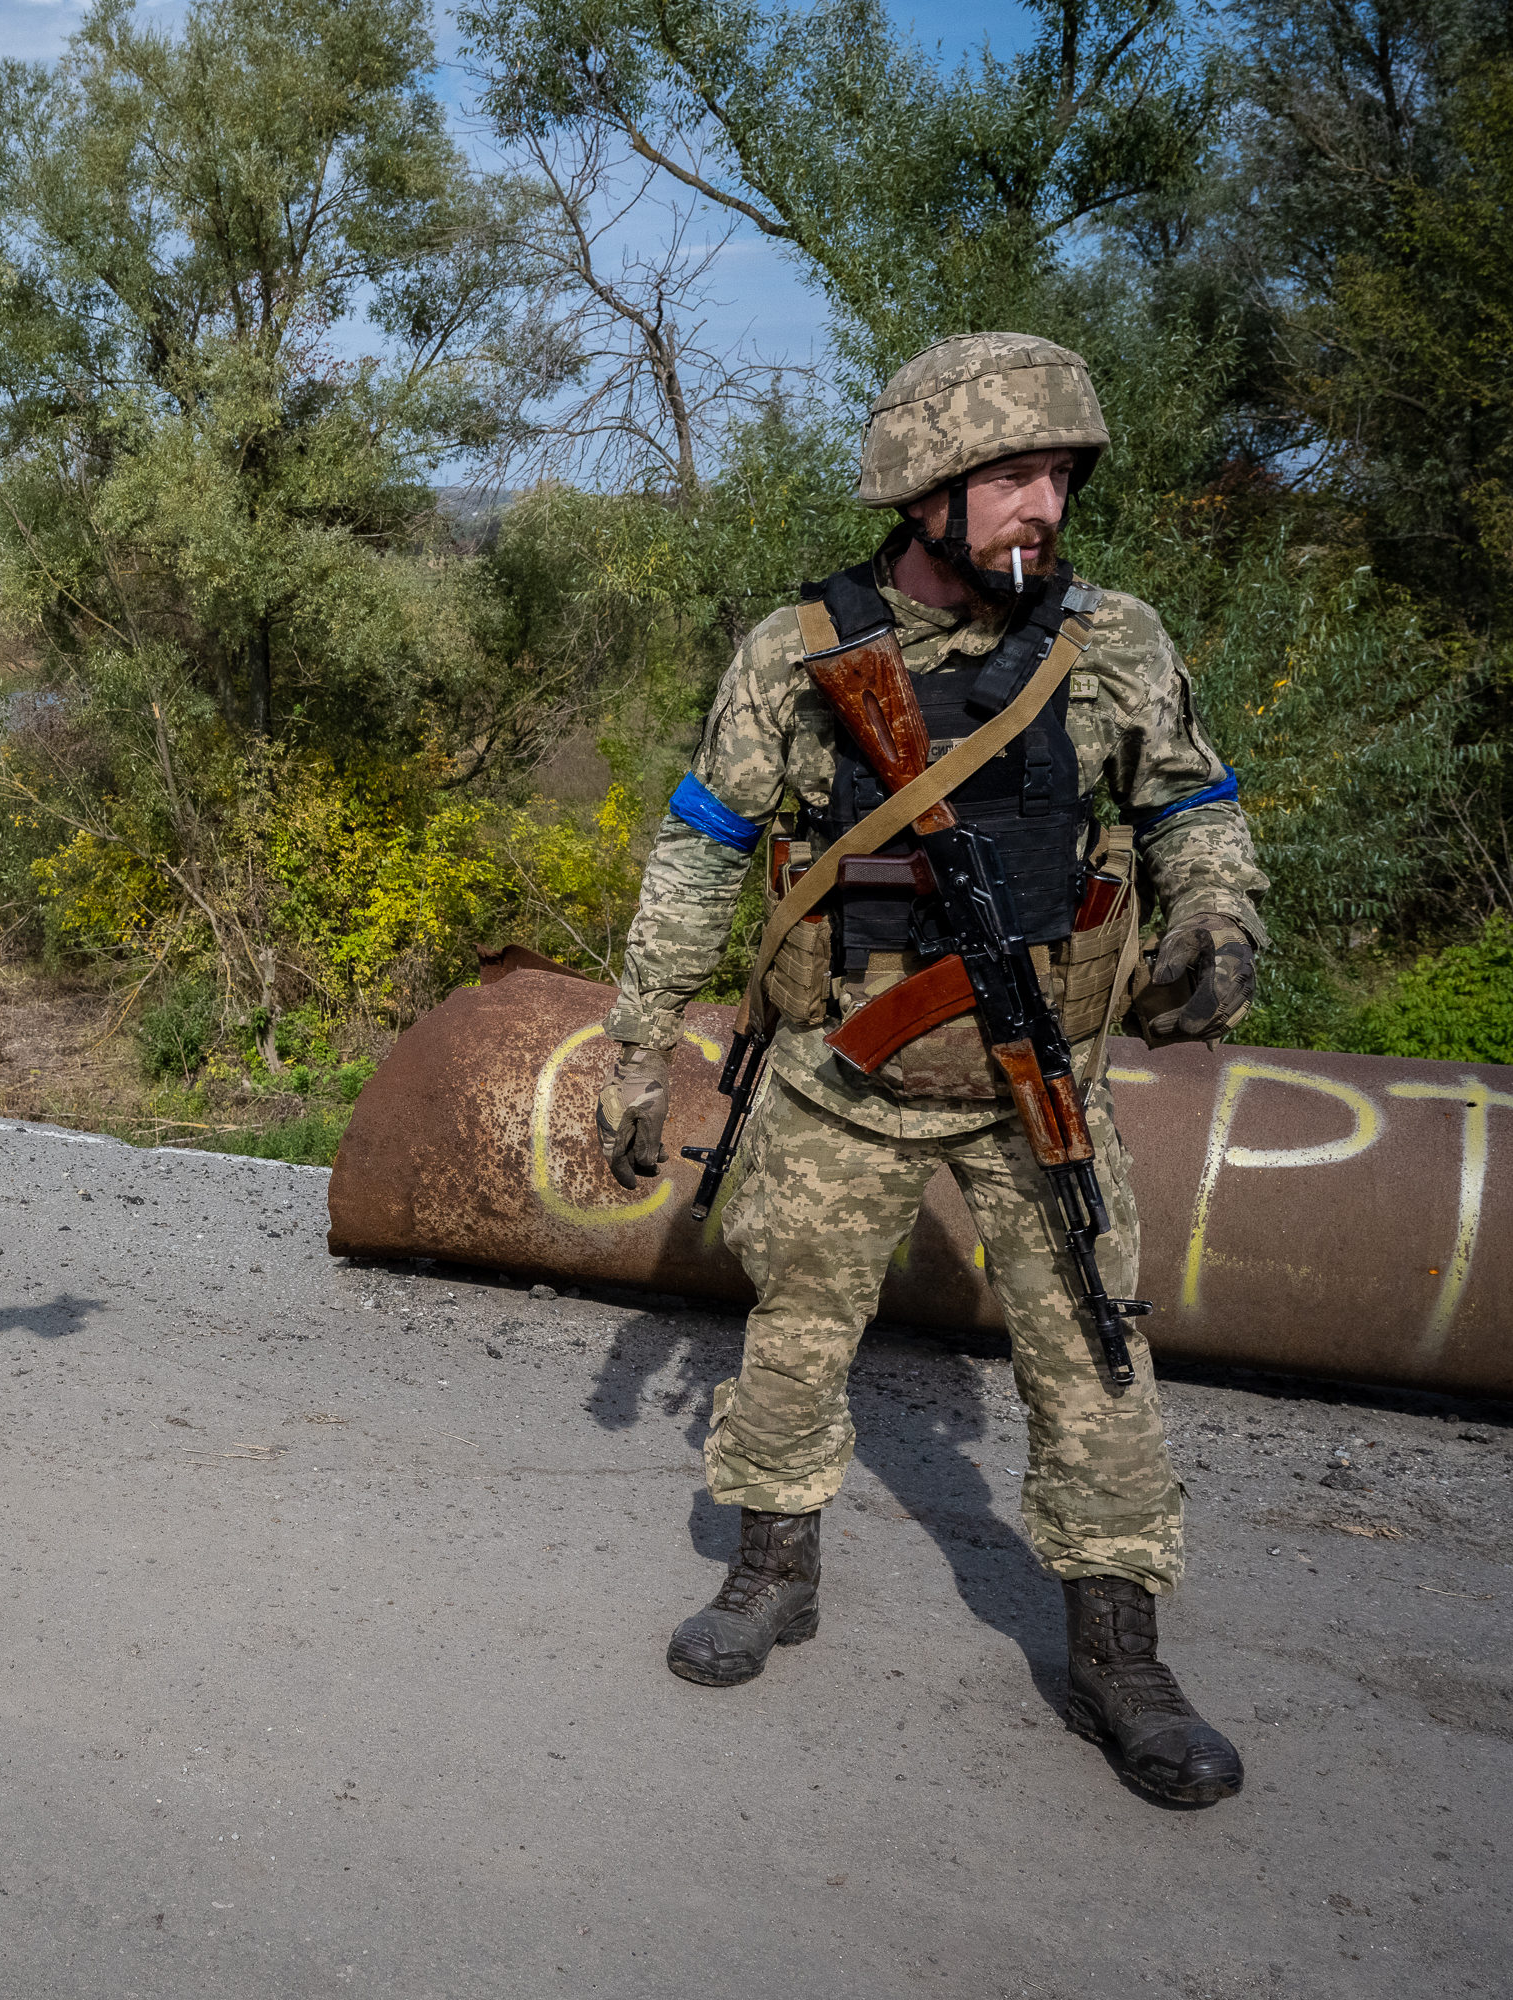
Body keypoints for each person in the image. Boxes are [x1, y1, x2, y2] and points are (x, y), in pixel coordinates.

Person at [591, 333, 1264, 1806]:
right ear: (923, 492)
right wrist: (639, 1045)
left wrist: (1218, 919)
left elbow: (1195, 811)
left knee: (1092, 1346)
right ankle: (772, 1572)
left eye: (1060, 479)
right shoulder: (799, 651)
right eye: (1012, 477)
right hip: (844, 1068)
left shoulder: (1119, 641)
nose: (1045, 508)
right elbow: (702, 848)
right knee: (795, 1327)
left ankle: (1119, 1652)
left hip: (1039, 1077)